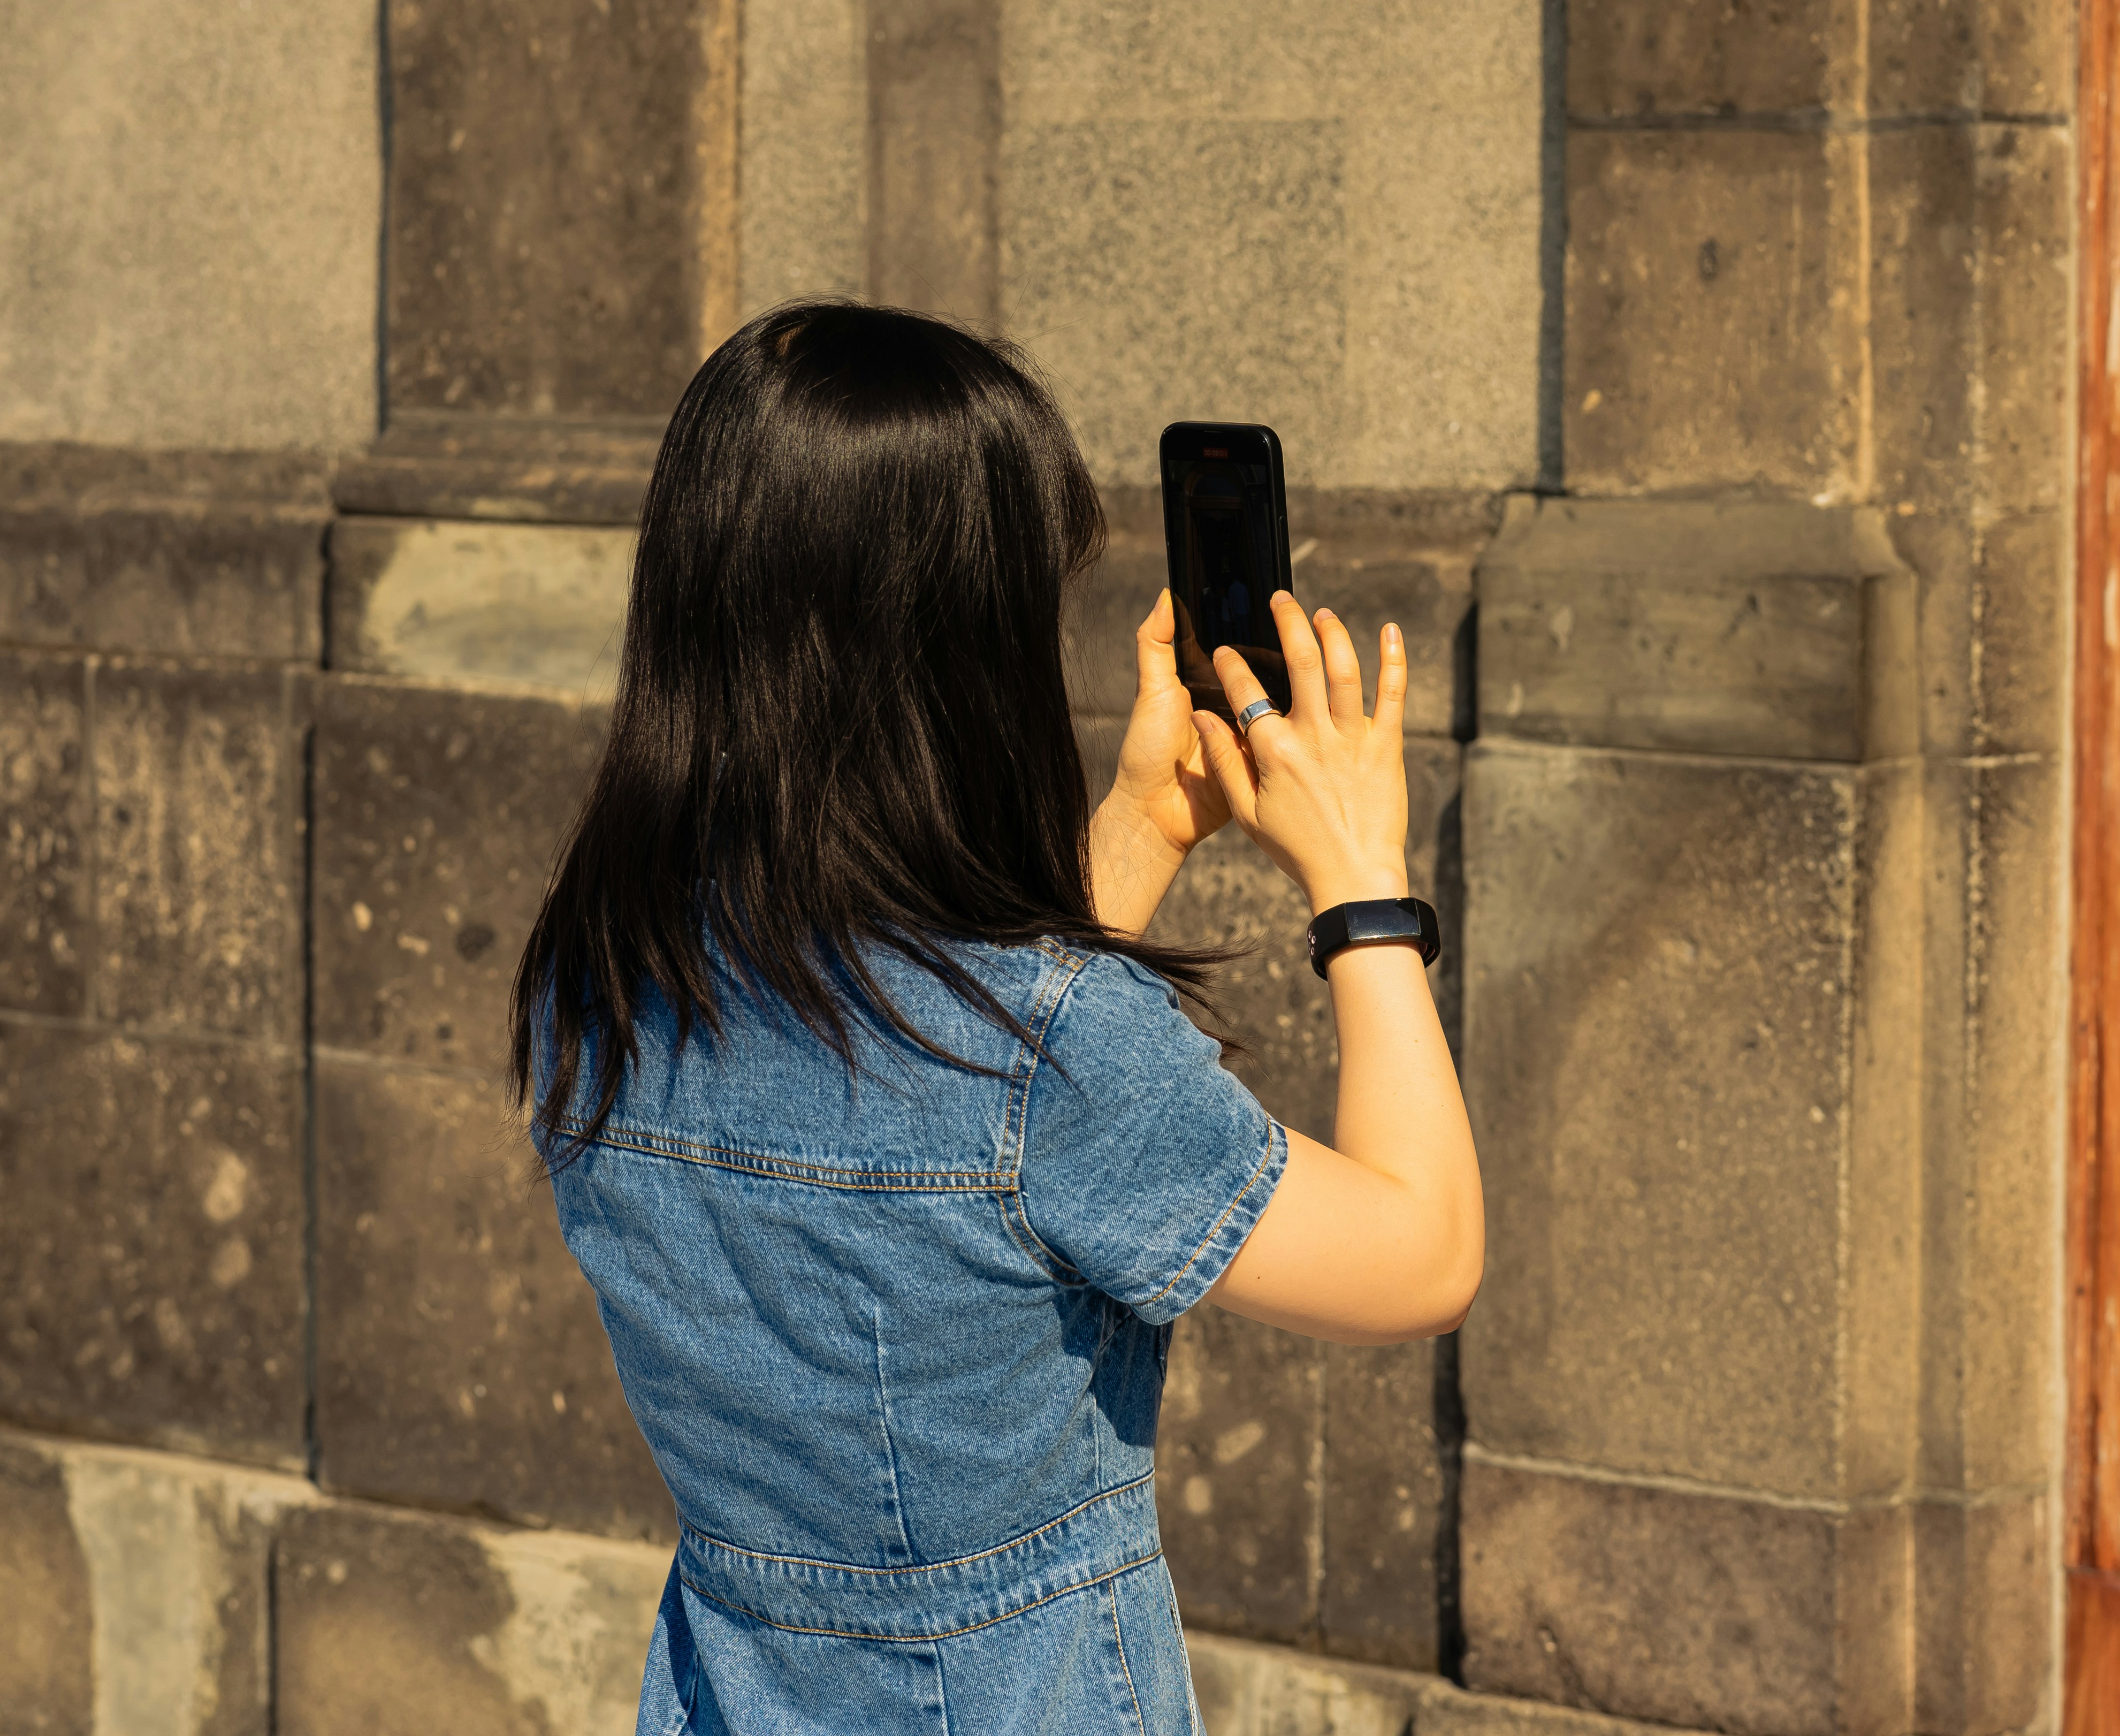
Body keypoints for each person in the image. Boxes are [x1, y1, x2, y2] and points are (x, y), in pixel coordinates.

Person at [508, 301, 1483, 1734]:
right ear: (958, 652)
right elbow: (1421, 1256)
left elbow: (914, 1082)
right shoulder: (1055, 1050)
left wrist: (1142, 830)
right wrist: (1362, 889)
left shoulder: (605, 978)